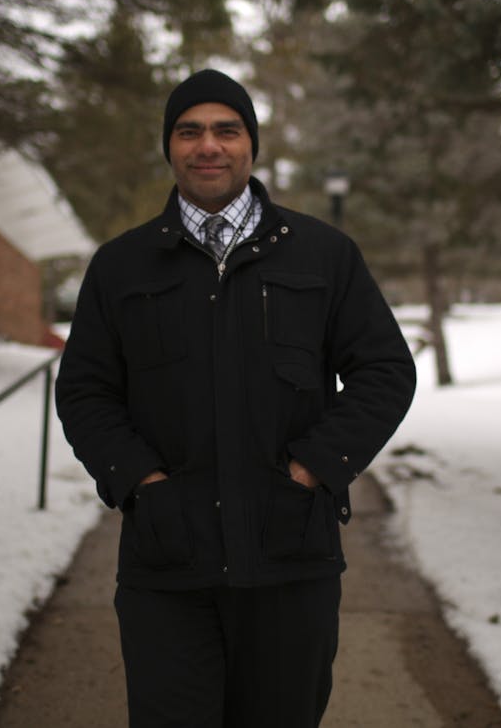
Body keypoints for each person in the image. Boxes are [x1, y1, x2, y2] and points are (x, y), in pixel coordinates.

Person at [55, 67, 416, 728]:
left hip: (290, 559)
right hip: (168, 565)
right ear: (169, 147)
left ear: (252, 144)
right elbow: (85, 391)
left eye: (226, 130)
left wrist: (313, 469)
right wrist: (143, 482)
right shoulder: (121, 265)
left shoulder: (323, 256)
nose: (207, 146)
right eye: (189, 132)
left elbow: (384, 372)